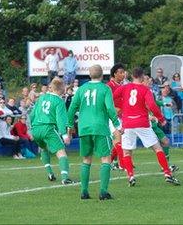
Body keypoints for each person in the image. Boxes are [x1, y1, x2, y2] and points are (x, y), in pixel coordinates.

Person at [113, 67, 180, 186]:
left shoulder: (124, 87)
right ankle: (167, 173)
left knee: (126, 152)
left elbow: (112, 98)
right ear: (142, 76)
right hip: (142, 122)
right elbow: (152, 106)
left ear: (132, 76)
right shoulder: (145, 89)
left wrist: (121, 109)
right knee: (157, 148)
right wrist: (161, 118)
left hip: (127, 123)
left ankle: (131, 176)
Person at [67, 64, 121, 200]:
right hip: (100, 127)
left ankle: (84, 192)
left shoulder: (81, 89)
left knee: (86, 159)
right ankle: (103, 192)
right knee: (106, 158)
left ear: (89, 75)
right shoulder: (105, 88)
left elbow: (72, 107)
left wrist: (69, 125)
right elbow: (110, 108)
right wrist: (117, 124)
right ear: (102, 75)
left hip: (84, 127)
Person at [29, 78, 74, 184]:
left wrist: (32, 128)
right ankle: (65, 178)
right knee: (61, 153)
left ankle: (49, 173)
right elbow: (60, 119)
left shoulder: (41, 98)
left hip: (36, 128)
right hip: (48, 128)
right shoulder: (59, 101)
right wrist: (64, 135)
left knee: (43, 148)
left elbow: (32, 114)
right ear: (62, 89)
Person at [106, 63, 126, 170]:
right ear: (115, 74)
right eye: (121, 72)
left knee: (121, 140)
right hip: (111, 117)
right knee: (118, 138)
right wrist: (114, 109)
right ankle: (123, 165)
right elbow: (106, 102)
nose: (123, 74)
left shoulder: (122, 85)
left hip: (121, 116)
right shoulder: (109, 86)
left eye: (124, 72)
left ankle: (110, 162)